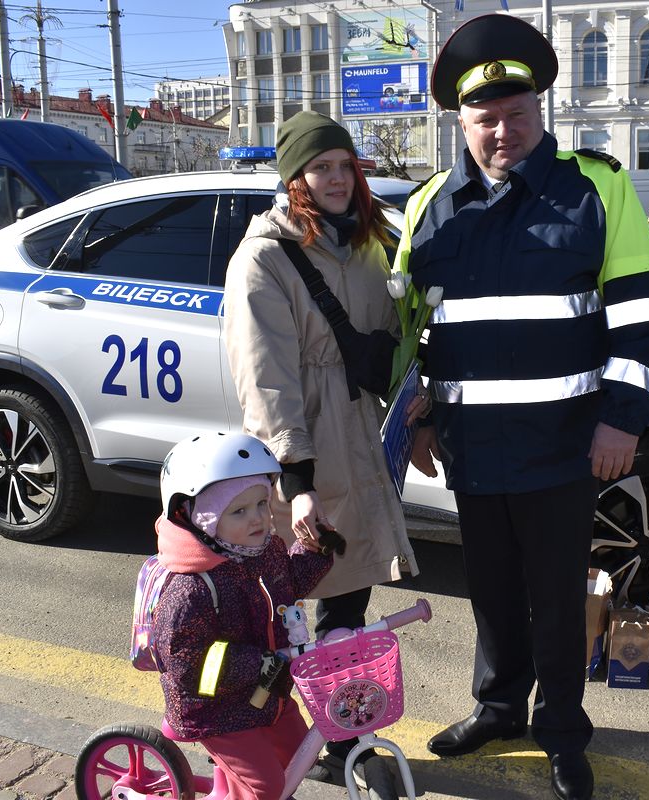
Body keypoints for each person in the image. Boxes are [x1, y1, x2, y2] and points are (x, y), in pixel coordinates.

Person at [395, 15, 649, 800]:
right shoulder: (428, 208)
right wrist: (414, 414)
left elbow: (646, 318)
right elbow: (411, 331)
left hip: (565, 448)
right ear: (462, 121)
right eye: (486, 118)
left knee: (555, 600)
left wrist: (622, 420)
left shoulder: (596, 185)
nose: (502, 131)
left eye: (517, 115)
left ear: (540, 113)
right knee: (490, 595)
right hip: (473, 448)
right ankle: (497, 708)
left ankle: (560, 732)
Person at [222, 111, 421, 767]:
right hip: (307, 443)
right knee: (293, 603)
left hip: (363, 435)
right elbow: (265, 379)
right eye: (321, 167)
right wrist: (296, 482)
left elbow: (400, 329)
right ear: (296, 178)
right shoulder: (264, 257)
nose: (337, 178)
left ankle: (341, 730)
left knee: (350, 594)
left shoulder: (368, 241)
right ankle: (276, 730)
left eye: (345, 165)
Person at [152, 432, 334, 800]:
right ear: (200, 519)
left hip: (267, 692)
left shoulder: (263, 550)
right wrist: (261, 663)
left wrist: (316, 548)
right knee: (265, 787)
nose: (259, 519)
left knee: (301, 751)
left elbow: (288, 583)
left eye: (261, 505)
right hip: (216, 710)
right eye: (239, 511)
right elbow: (188, 667)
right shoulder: (191, 591)